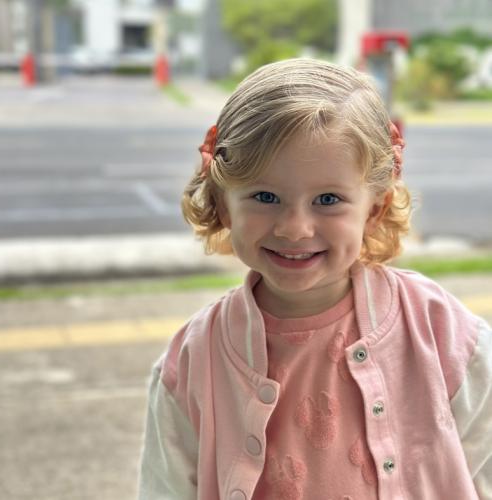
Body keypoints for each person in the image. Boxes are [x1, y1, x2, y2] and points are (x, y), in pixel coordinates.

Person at [138, 59, 491, 500]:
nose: (294, 228)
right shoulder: (193, 360)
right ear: (224, 204)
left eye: (327, 199)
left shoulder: (443, 334)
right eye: (265, 196)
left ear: (375, 208)